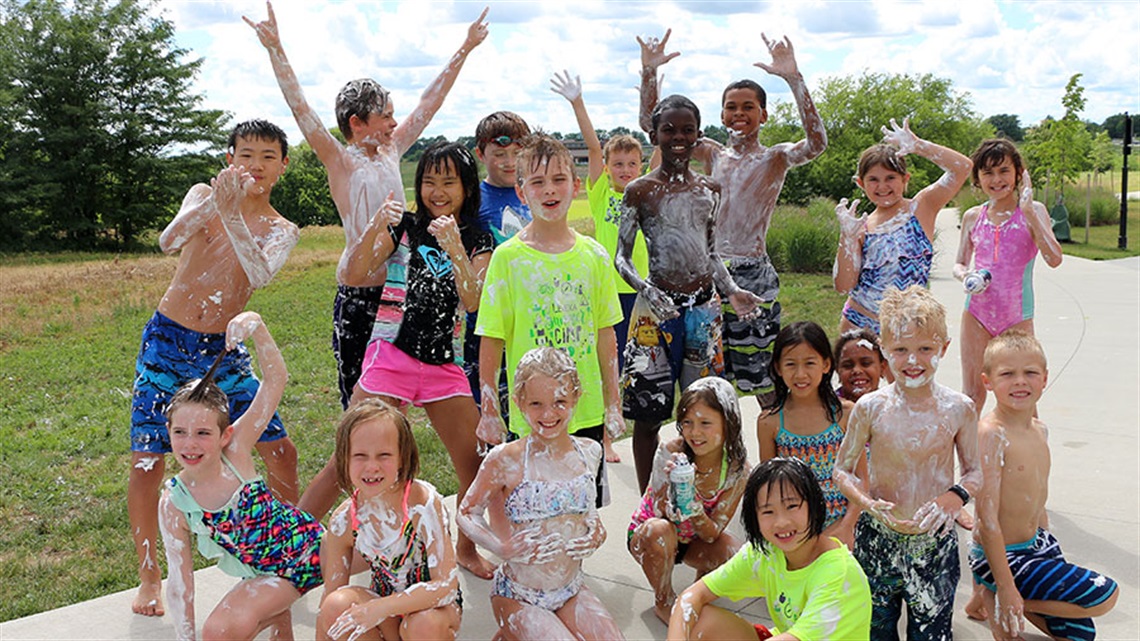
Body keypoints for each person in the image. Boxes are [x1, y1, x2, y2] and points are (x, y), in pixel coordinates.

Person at [244, 1, 488, 412]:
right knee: (359, 405)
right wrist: (276, 49)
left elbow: (431, 103)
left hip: (400, 289)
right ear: (357, 123)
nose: (395, 123)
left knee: (394, 407)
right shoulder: (340, 160)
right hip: (358, 293)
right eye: (386, 116)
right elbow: (301, 110)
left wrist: (464, 48)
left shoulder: (392, 150)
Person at [128, 120, 300, 617]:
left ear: (283, 166)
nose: (256, 165)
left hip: (224, 348)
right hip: (168, 340)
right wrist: (215, 206)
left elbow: (260, 272)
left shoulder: (281, 228)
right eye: (246, 154)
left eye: (269, 156)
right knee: (146, 462)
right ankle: (148, 574)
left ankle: (280, 553)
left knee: (280, 451)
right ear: (230, 160)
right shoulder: (204, 193)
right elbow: (168, 240)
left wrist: (234, 216)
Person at [638, 29, 827, 408]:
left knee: (762, 374)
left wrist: (794, 78)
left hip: (752, 273)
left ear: (763, 114)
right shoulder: (711, 155)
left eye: (747, 107)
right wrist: (649, 73)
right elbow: (651, 125)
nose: (739, 114)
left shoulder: (774, 157)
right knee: (710, 377)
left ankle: (778, 456)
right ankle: (721, 457)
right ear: (721, 113)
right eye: (731, 107)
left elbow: (817, 143)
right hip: (707, 275)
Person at [337, 141, 494, 578]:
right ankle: (306, 548)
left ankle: (465, 548)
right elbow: (351, 274)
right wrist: (373, 228)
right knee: (350, 454)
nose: (437, 191)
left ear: (467, 188)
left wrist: (454, 245)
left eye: (449, 182)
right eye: (428, 181)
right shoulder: (404, 227)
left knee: (475, 466)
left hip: (442, 365)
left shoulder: (480, 238)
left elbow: (472, 297)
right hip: (392, 355)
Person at [616, 94, 762, 494]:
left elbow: (711, 253)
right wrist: (646, 288)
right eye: (669, 130)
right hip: (655, 314)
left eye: (687, 130)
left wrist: (731, 289)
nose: (678, 138)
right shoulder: (640, 191)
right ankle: (650, 501)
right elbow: (621, 258)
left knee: (705, 411)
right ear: (655, 134)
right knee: (648, 415)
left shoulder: (709, 190)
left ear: (699, 134)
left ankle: (703, 493)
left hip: (703, 312)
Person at [474, 134, 624, 505]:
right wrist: (490, 409)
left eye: (558, 179)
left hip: (582, 407)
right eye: (537, 182)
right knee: (529, 506)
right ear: (522, 192)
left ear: (576, 186)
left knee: (581, 506)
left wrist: (612, 403)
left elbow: (606, 335)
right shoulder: (508, 259)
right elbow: (491, 338)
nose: (550, 190)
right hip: (532, 412)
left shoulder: (596, 256)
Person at [158, 312, 322, 641]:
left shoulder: (236, 451)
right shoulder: (174, 503)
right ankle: (277, 622)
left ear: (224, 435)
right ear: (169, 432)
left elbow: (276, 380)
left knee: (392, 551)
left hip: (313, 548)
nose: (190, 444)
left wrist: (258, 326)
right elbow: (180, 583)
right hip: (269, 579)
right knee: (219, 632)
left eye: (203, 432)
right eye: (180, 432)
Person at [833, 285, 982, 641]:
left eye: (925, 349)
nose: (912, 361)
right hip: (878, 542)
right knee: (874, 630)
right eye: (900, 350)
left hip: (934, 546)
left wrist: (956, 496)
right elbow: (842, 470)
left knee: (931, 634)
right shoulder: (871, 408)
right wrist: (867, 503)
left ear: (943, 348)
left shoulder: (958, 408)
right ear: (884, 351)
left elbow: (976, 471)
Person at [457, 348, 624, 641]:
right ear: (520, 402)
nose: (548, 414)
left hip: (571, 589)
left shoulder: (590, 452)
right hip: (519, 594)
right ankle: (514, 628)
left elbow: (589, 516)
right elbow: (466, 512)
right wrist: (501, 547)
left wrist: (597, 534)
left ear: (576, 398)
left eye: (560, 402)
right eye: (536, 403)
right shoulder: (505, 459)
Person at [967, 331, 1117, 640]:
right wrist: (1008, 588)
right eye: (1007, 373)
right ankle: (999, 597)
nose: (1020, 381)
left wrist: (1048, 547)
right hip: (1002, 556)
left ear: (1045, 378)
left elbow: (1037, 498)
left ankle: (990, 597)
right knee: (1105, 595)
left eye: (1030, 372)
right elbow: (987, 519)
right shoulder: (990, 435)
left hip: (1036, 546)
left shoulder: (1040, 430)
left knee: (1079, 636)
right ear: (988, 382)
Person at [551, 69, 649, 463]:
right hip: (604, 295)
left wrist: (649, 81)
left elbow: (660, 141)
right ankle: (604, 437)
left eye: (632, 163)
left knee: (632, 366)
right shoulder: (599, 192)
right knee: (600, 363)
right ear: (607, 167)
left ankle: (621, 422)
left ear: (642, 166)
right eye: (618, 163)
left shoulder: (648, 191)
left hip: (640, 295)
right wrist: (578, 102)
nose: (625, 170)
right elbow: (592, 148)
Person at [667, 457, 871, 641]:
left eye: (792, 506)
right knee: (699, 619)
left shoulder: (838, 574)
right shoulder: (766, 551)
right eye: (768, 511)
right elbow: (693, 596)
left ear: (814, 506)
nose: (781, 522)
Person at [317, 400, 463, 641]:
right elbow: (329, 602)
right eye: (360, 456)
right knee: (336, 606)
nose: (371, 466)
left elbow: (445, 585)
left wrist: (381, 608)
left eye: (384, 455)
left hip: (432, 612)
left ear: (403, 458)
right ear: (343, 459)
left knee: (421, 625)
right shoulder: (344, 520)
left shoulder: (422, 504)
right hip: (386, 616)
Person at [833, 118, 972, 336]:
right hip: (860, 324)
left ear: (905, 179)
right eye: (873, 179)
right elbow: (842, 286)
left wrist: (918, 145)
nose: (882, 186)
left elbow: (963, 168)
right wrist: (846, 239)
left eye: (890, 178)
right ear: (861, 183)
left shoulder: (922, 207)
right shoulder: (860, 227)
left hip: (909, 329)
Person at [628, 377, 749, 623]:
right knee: (659, 530)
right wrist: (676, 488)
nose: (695, 432)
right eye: (687, 423)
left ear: (729, 424)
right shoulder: (672, 451)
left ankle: (698, 592)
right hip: (652, 536)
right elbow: (660, 515)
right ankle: (664, 599)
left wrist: (694, 507)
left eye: (705, 423)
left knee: (736, 555)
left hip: (695, 539)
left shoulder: (738, 470)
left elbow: (712, 534)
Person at [953, 139, 1063, 413]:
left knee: (1022, 397)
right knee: (972, 396)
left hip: (1017, 317)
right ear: (977, 178)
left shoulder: (1033, 211)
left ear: (1019, 173)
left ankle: (1031, 455)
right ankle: (970, 457)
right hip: (976, 315)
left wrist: (1028, 212)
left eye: (1003, 170)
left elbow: (1054, 258)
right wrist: (966, 276)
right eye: (987, 172)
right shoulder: (972, 216)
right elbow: (959, 262)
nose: (996, 179)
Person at [756, 321, 861, 547]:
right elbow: (769, 488)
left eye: (810, 363)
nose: (800, 374)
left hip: (845, 525)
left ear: (826, 365)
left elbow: (862, 478)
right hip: (793, 531)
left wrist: (847, 526)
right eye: (791, 364)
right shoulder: (770, 422)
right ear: (778, 368)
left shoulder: (845, 414)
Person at [461, 110, 533, 432]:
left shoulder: (536, 191)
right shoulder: (472, 199)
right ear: (480, 154)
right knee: (489, 412)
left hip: (533, 317)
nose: (509, 162)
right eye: (499, 154)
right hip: (488, 322)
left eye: (517, 154)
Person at [833, 327, 885, 402]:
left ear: (882, 367)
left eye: (866, 363)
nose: (857, 370)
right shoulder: (828, 408)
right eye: (847, 366)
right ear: (837, 370)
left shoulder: (891, 406)